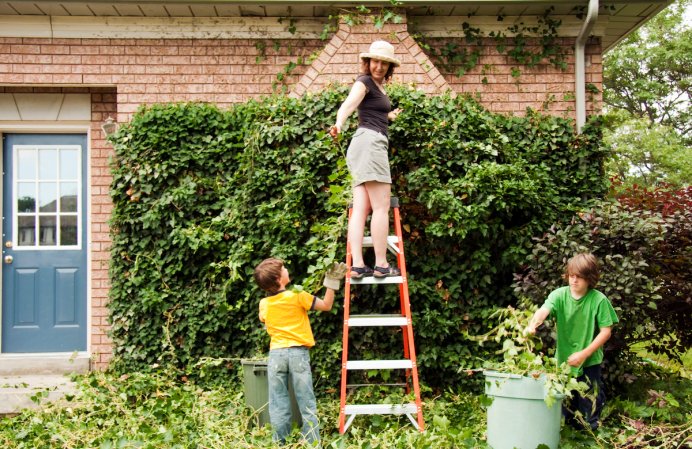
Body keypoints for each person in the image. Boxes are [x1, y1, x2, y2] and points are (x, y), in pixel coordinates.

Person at [254, 258, 347, 446]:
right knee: (306, 402)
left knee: (278, 402)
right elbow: (326, 305)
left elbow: (264, 319)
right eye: (284, 269)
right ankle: (312, 443)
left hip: (276, 355)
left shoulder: (264, 303)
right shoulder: (297, 295)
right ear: (279, 279)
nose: (287, 269)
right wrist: (331, 282)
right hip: (298, 354)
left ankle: (280, 443)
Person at [329, 40, 403, 278]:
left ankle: (358, 265)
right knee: (381, 208)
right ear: (368, 62)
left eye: (384, 63)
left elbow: (373, 112)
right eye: (375, 61)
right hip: (371, 144)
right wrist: (339, 123)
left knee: (361, 208)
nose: (379, 66)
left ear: (389, 67)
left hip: (363, 143)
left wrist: (389, 116)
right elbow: (349, 104)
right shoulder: (364, 82)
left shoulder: (378, 88)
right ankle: (381, 264)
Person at [526, 252, 619, 431]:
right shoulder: (559, 295)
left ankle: (588, 434)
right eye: (571, 276)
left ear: (590, 278)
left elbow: (606, 332)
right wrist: (534, 323)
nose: (574, 281)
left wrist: (584, 354)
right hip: (564, 362)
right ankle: (567, 432)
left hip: (590, 361)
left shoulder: (598, 300)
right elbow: (545, 309)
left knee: (589, 401)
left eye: (580, 277)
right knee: (564, 401)